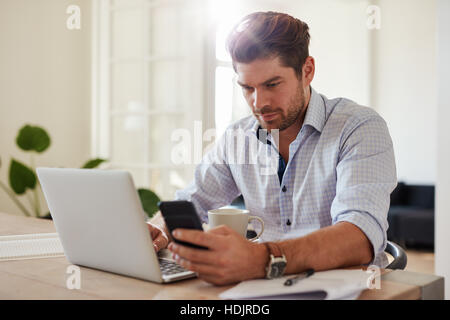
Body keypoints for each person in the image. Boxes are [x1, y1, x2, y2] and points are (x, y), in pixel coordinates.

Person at [147, 11, 397, 286]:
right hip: (263, 288)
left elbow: (360, 238)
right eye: (247, 88)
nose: (258, 103)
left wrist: (260, 258)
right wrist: (159, 229)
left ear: (307, 71)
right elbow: (192, 202)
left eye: (272, 84)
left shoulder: (358, 128)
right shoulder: (237, 139)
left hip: (346, 289)